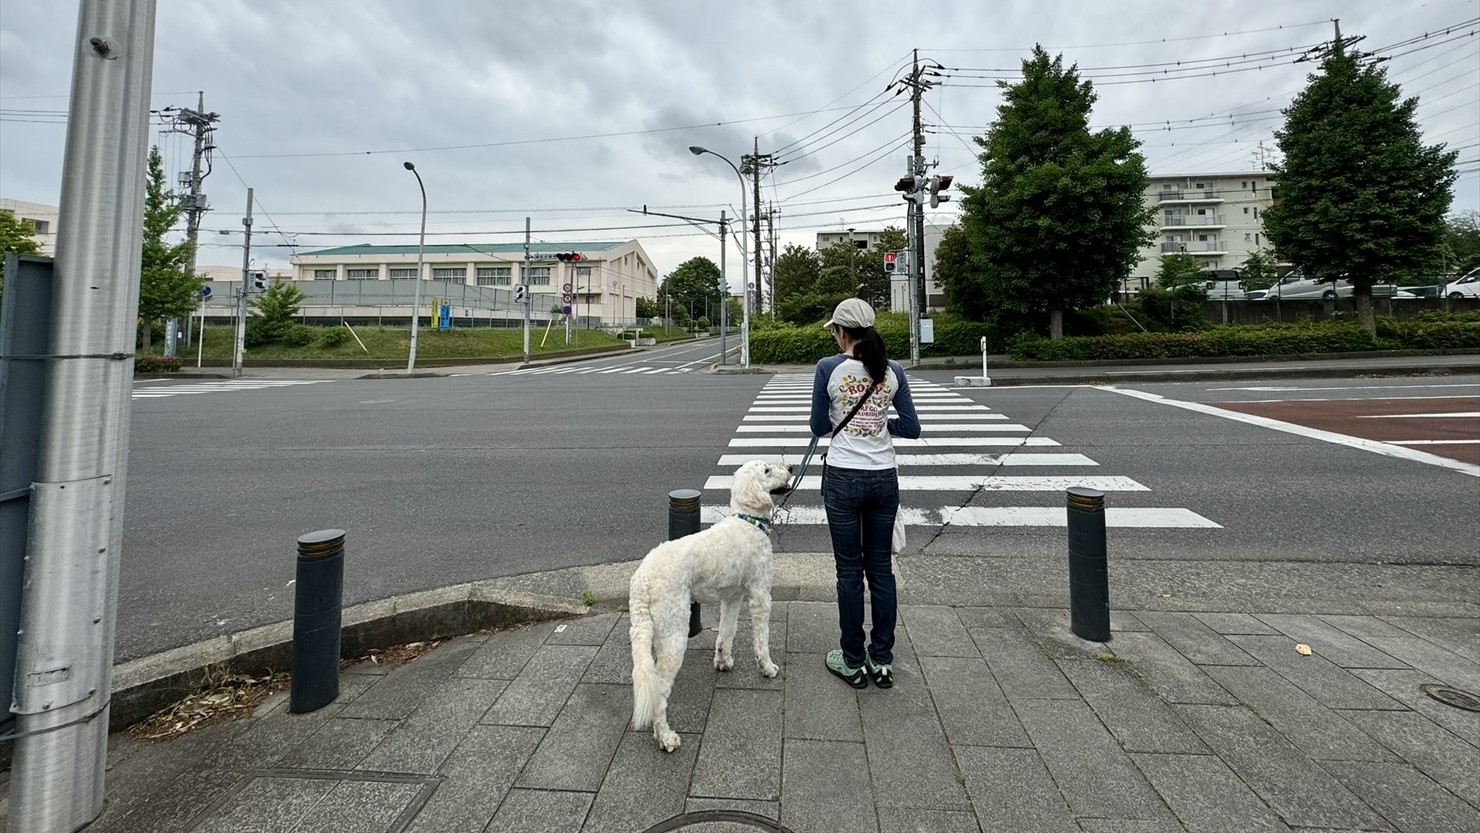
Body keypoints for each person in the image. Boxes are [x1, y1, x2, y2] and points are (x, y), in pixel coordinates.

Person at [810, 298, 920, 689]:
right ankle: (882, 659)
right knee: (881, 570)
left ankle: (853, 660)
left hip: (843, 477)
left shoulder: (828, 368)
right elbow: (912, 427)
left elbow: (819, 427)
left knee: (849, 572)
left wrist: (846, 420)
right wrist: (880, 422)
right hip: (883, 478)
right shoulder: (893, 371)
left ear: (841, 331)